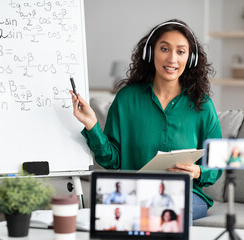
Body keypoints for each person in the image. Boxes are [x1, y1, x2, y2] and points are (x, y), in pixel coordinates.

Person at [70, 19, 222, 220]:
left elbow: (217, 163)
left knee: (163, 214)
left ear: (191, 58)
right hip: (136, 194)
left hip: (185, 196)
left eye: (181, 51)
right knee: (112, 213)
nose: (172, 59)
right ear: (151, 53)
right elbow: (112, 160)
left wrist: (197, 171)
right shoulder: (126, 99)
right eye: (164, 49)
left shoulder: (202, 105)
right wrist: (92, 125)